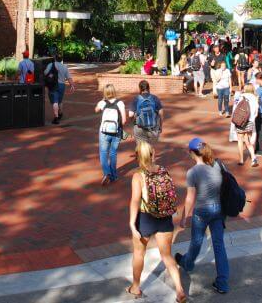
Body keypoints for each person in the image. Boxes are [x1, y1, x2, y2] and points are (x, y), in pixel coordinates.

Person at [127, 142, 187, 302]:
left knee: (139, 253)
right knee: (167, 256)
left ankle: (135, 287)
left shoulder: (138, 175)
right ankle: (180, 290)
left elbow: (134, 201)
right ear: (153, 154)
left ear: (138, 156)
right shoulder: (163, 170)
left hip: (145, 218)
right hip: (164, 218)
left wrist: (132, 224)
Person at [175, 138, 229, 294]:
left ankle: (187, 263)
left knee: (197, 242)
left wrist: (184, 217)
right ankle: (222, 283)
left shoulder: (193, 172)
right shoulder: (218, 164)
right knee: (219, 245)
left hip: (202, 211)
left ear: (192, 153)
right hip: (219, 209)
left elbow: (190, 198)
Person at [95, 84, 127, 186]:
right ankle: (113, 176)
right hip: (116, 131)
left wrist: (101, 102)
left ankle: (106, 173)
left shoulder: (102, 103)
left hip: (103, 131)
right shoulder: (120, 103)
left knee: (103, 153)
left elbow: (96, 110)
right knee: (113, 153)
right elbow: (124, 120)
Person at [129, 80, 164, 145]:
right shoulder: (154, 98)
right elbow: (161, 114)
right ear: (148, 88)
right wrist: (160, 126)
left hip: (140, 128)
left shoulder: (136, 99)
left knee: (141, 148)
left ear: (140, 88)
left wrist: (133, 123)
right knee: (151, 149)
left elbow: (130, 115)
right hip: (153, 128)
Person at [233, 84, 259, 166]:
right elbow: (256, 113)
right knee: (248, 140)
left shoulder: (241, 96)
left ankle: (241, 160)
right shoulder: (255, 98)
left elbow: (236, 107)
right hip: (250, 121)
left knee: (240, 140)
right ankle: (253, 158)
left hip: (240, 121)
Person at [45, 55, 75, 125]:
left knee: (55, 101)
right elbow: (69, 77)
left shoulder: (51, 64)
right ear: (61, 59)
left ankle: (56, 117)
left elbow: (45, 73)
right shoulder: (64, 67)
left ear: (55, 58)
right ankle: (60, 113)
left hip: (53, 85)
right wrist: (72, 85)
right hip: (62, 85)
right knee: (60, 101)